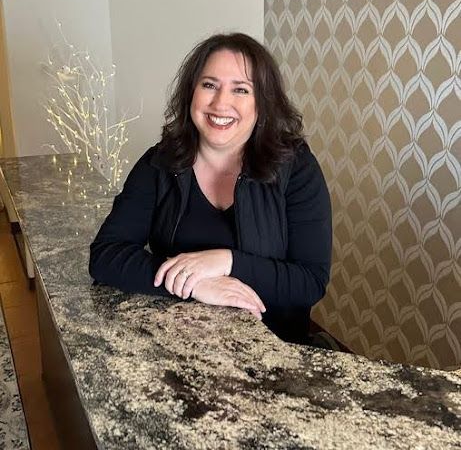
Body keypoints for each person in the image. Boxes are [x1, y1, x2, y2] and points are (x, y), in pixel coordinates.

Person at [89, 33, 332, 344]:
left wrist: (226, 261)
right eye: (209, 85)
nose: (221, 103)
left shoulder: (296, 167)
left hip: (274, 351)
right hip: (177, 342)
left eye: (241, 89)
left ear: (263, 103)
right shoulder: (159, 164)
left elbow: (309, 281)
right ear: (191, 92)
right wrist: (192, 284)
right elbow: (106, 255)